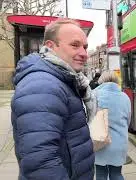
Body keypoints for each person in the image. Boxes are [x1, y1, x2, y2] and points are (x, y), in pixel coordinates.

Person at [11, 19, 95, 179]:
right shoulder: (42, 85)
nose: (84, 53)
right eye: (75, 45)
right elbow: (40, 162)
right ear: (50, 46)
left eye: (85, 47)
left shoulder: (63, 80)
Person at [94, 71, 131, 180]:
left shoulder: (94, 95)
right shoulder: (124, 97)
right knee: (116, 174)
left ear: (101, 81)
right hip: (119, 143)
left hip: (99, 142)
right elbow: (128, 120)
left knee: (101, 174)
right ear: (117, 81)